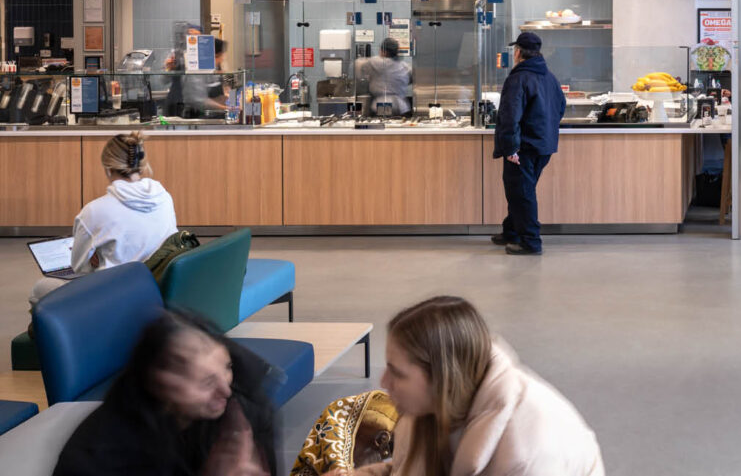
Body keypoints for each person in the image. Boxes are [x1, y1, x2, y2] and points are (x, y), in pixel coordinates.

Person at [339, 296, 603, 476]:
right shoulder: (426, 410)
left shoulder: (528, 454)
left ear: (441, 379)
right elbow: (405, 468)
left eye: (397, 373)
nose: (384, 381)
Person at [55, 310, 278, 476]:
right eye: (207, 383)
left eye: (227, 368)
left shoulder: (240, 408)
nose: (226, 391)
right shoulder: (97, 461)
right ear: (160, 383)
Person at [31, 132, 177, 306]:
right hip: (156, 287)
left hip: (114, 295)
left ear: (108, 167)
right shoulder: (164, 197)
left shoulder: (94, 211)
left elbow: (79, 267)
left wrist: (95, 258)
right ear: (142, 164)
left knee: (41, 288)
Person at [491, 32, 566, 256]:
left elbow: (509, 116)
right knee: (522, 191)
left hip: (523, 147)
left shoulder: (518, 78)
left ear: (518, 53)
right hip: (543, 145)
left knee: (521, 193)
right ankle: (511, 231)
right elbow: (560, 107)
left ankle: (531, 241)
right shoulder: (550, 77)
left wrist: (511, 147)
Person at [357, 37, 413, 117]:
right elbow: (411, 79)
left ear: (384, 51)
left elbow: (359, 66)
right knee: (399, 127)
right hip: (402, 107)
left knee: (385, 126)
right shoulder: (405, 66)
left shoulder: (375, 62)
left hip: (383, 104)